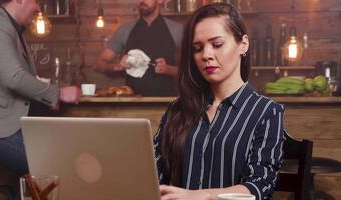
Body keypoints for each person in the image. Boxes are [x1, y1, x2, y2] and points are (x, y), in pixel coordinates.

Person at [153, 3, 285, 200]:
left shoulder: (266, 112)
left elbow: (260, 185)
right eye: (197, 48)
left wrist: (200, 196)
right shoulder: (177, 109)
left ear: (243, 44)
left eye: (217, 44)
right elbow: (153, 174)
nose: (206, 55)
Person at [0, 0, 81, 197]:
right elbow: (14, 77)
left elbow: (18, 82)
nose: (39, 8)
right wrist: (57, 93)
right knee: (51, 165)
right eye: (36, 1)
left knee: (55, 159)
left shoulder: (11, 29)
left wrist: (46, 99)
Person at [93, 0, 183, 97]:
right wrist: (117, 66)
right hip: (132, 105)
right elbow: (97, 65)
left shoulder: (176, 30)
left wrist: (168, 69)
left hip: (166, 103)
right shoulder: (125, 30)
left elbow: (192, 70)